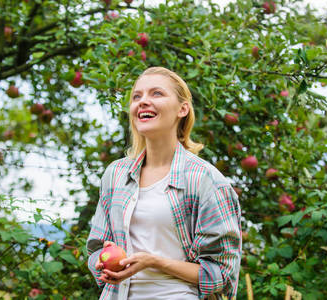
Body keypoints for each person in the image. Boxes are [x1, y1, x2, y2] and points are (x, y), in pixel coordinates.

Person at [86, 66, 242, 300]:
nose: (143, 102)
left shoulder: (203, 180)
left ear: (182, 109)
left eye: (156, 93)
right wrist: (103, 261)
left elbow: (222, 274)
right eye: (137, 96)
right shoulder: (115, 175)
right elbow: (95, 248)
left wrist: (154, 261)